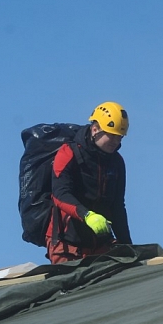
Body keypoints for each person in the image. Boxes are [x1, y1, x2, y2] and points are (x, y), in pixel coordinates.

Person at [47, 102, 132, 263]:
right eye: (112, 135)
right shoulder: (68, 152)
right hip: (67, 243)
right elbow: (59, 194)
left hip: (100, 243)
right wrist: (87, 215)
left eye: (120, 136)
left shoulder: (117, 162)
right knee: (72, 287)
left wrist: (127, 245)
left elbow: (117, 206)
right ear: (95, 129)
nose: (116, 141)